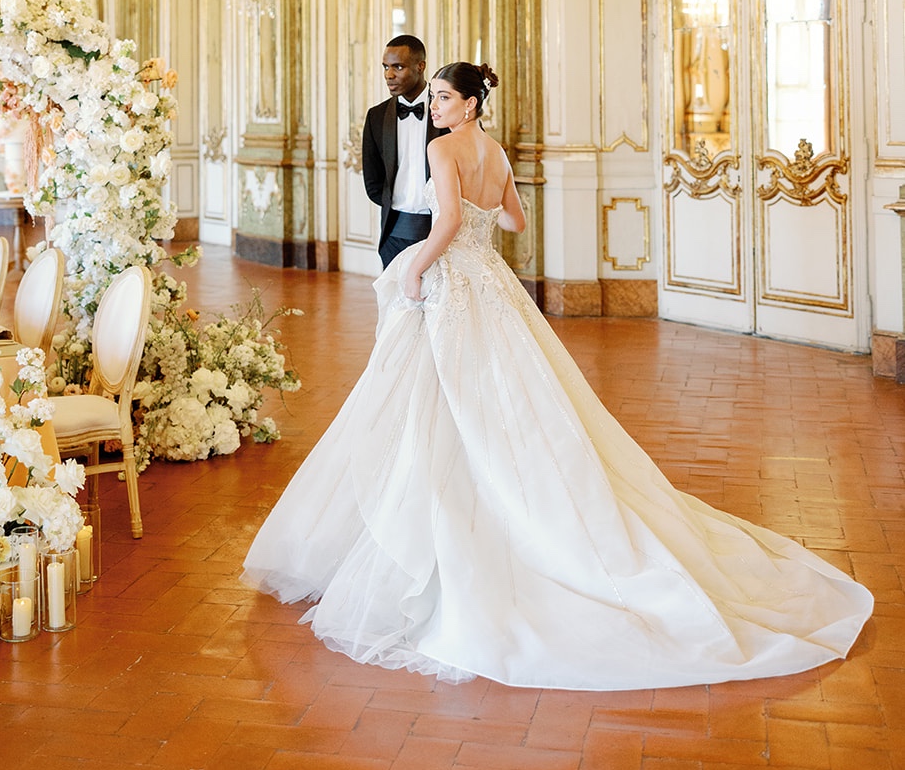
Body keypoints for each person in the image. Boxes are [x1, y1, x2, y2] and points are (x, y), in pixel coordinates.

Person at [244, 60, 873, 690]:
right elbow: (513, 221)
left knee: (435, 396)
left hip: (450, 278)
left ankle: (437, 522)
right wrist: (477, 222)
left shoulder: (444, 149)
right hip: (489, 280)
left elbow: (450, 224)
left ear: (469, 103)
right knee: (493, 396)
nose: (433, 105)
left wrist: (415, 267)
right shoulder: (495, 152)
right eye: (431, 96)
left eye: (442, 96)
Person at [361, 34, 447, 267]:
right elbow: (373, 180)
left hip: (440, 229)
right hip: (393, 231)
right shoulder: (376, 117)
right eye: (386, 67)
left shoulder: (450, 112)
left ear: (421, 67)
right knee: (397, 302)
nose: (389, 75)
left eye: (398, 67)